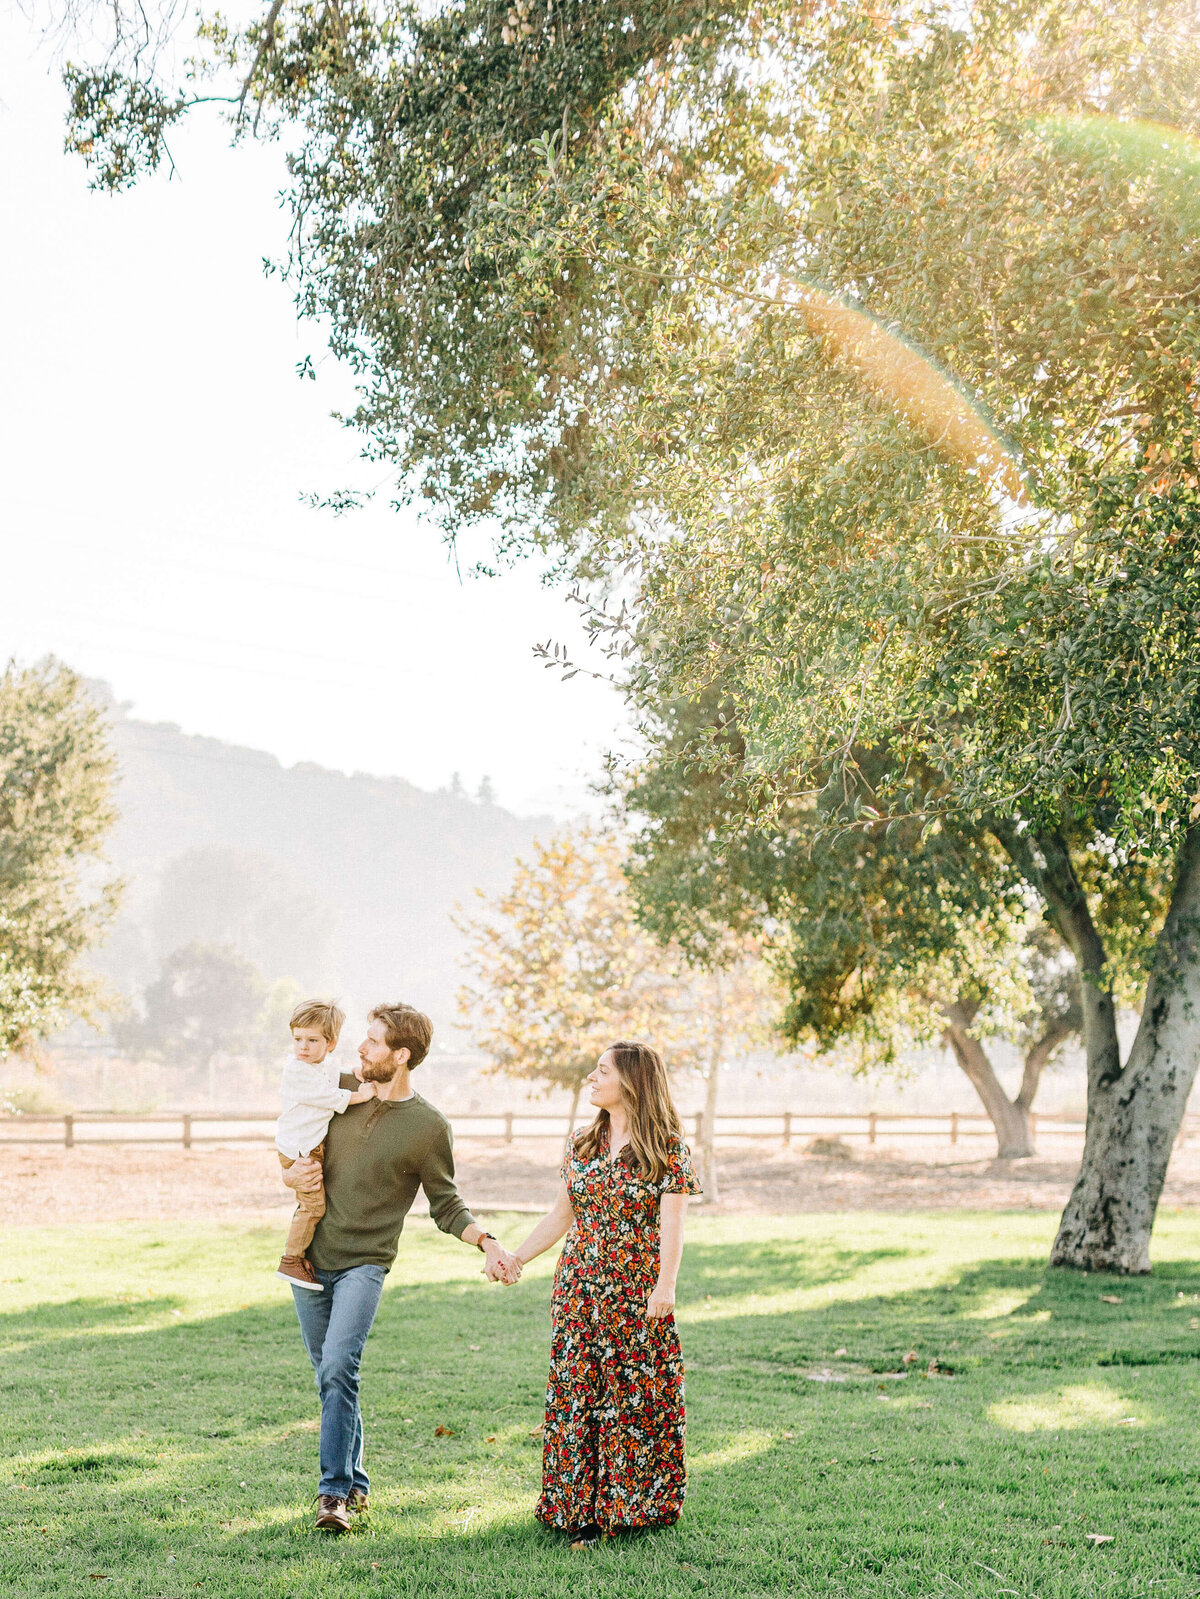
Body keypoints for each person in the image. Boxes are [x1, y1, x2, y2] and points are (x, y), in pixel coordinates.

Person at [281, 1001, 520, 1533]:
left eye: (372, 1041)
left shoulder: (428, 1126)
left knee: (340, 1366)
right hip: (309, 1262)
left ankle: (333, 1496)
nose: (360, 1048)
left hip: (366, 1263)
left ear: (402, 1055)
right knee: (332, 1378)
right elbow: (293, 1140)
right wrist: (291, 1175)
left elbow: (446, 1204)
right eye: (362, 1039)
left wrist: (489, 1242)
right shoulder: (338, 1091)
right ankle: (357, 1483)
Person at [501, 1041, 702, 1549]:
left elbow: (672, 1225)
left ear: (631, 1082)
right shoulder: (581, 1143)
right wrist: (519, 1257)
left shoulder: (668, 1148)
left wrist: (666, 1286)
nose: (591, 1077)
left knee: (632, 1399)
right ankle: (576, 1508)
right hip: (579, 1291)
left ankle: (631, 1505)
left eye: (602, 1070)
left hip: (637, 1294)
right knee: (579, 1396)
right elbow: (561, 1215)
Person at [274, 999, 377, 1291]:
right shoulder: (296, 1071)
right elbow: (331, 1097)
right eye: (297, 1039)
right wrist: (364, 1094)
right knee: (313, 1206)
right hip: (298, 1150)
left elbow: (335, 1073)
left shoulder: (325, 1064)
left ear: (330, 1044)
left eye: (312, 1040)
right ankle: (291, 1259)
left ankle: (301, 1253)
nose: (302, 1047)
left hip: (309, 1145)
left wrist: (357, 1072)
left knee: (312, 1203)